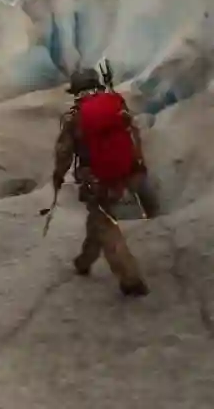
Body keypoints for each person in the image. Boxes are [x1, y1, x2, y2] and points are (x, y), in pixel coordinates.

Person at [51, 67, 157, 297]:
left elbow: (64, 152)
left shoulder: (74, 117)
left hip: (98, 178)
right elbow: (132, 134)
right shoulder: (116, 104)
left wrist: (58, 176)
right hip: (128, 170)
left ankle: (131, 279)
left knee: (105, 224)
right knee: (98, 218)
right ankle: (84, 261)